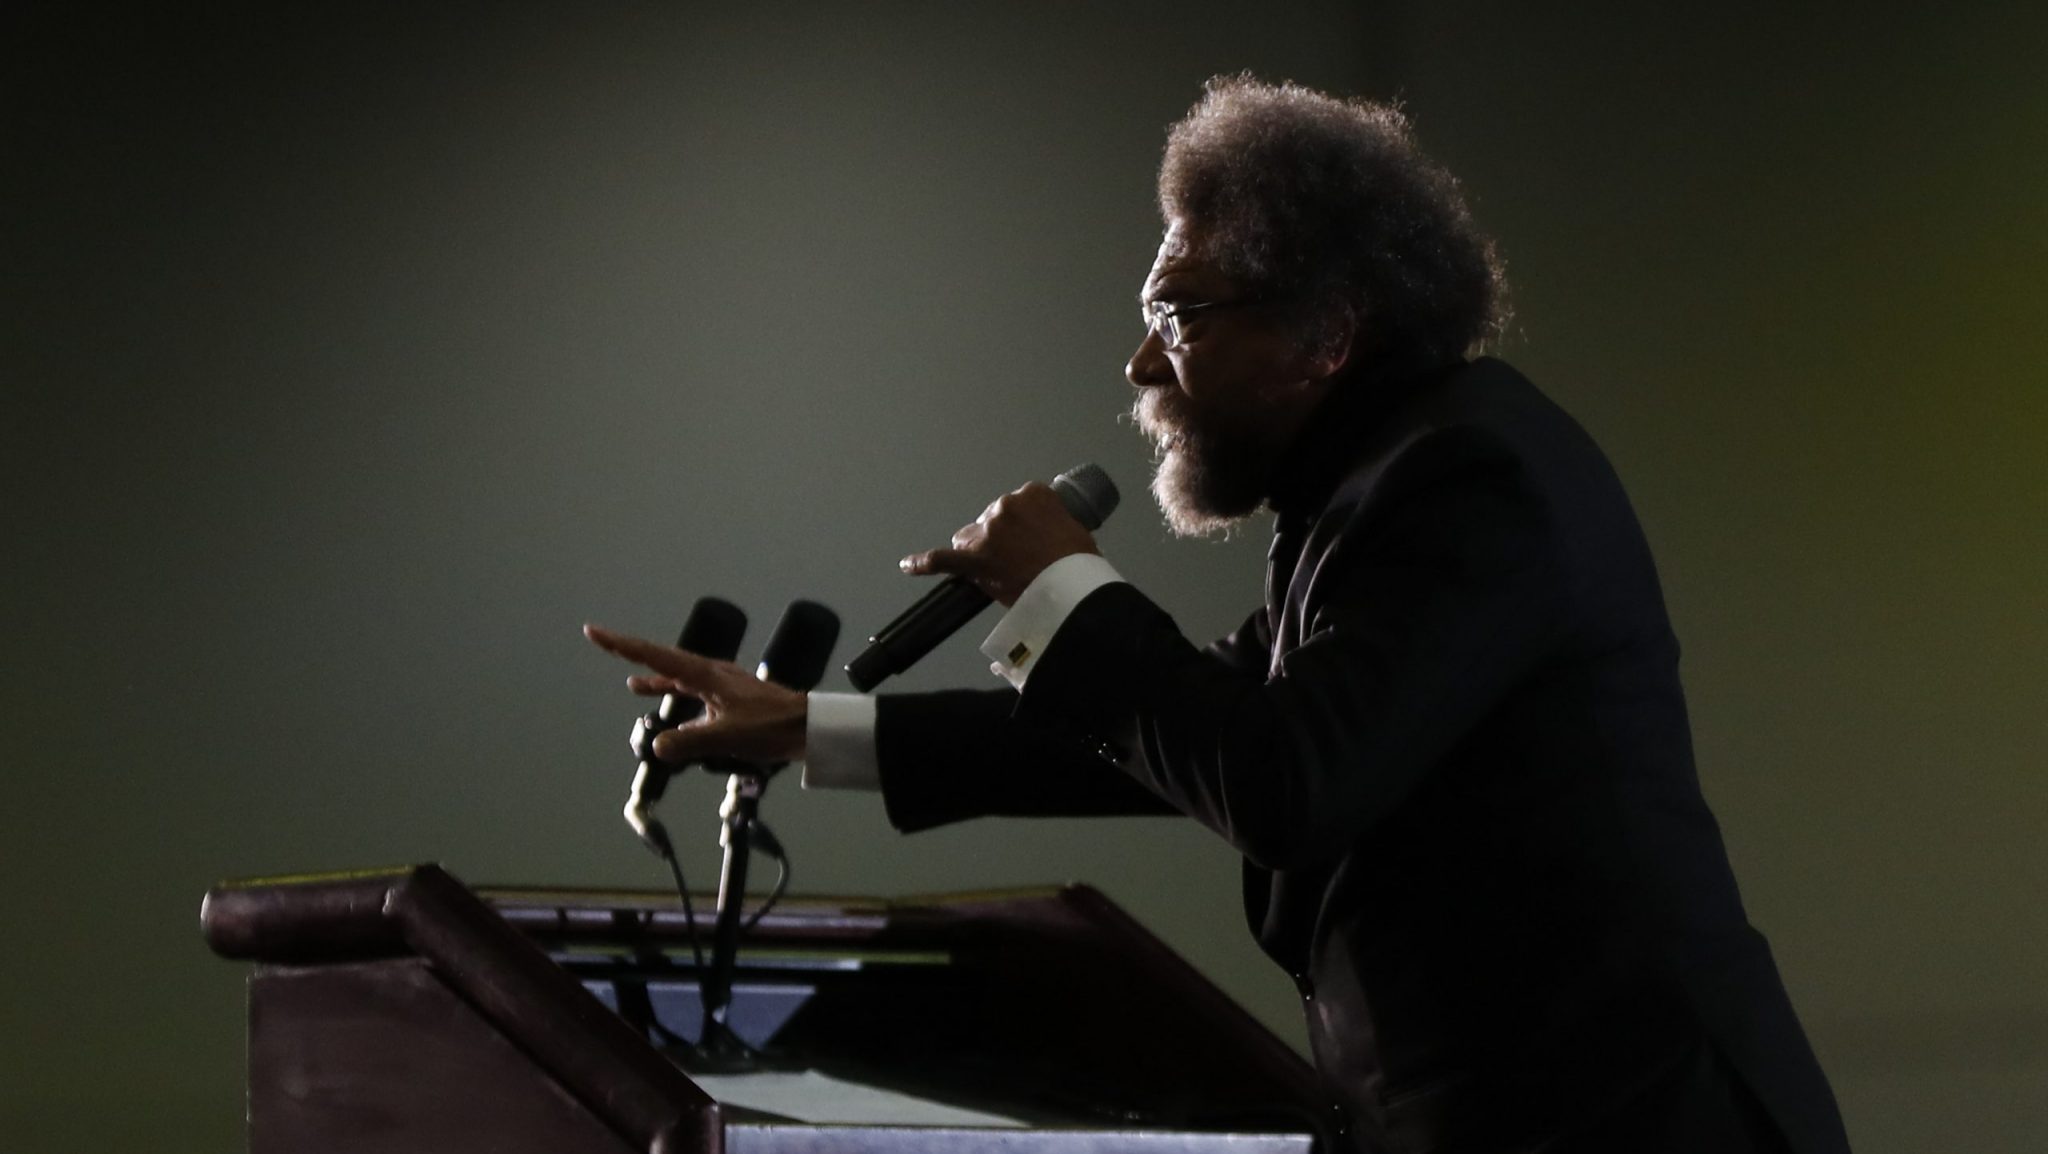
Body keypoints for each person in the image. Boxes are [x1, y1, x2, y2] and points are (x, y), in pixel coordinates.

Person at [586, 75, 1850, 1154]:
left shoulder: (1474, 478)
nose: (1141, 365)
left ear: (1325, 333)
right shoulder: (1368, 492)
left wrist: (1064, 588)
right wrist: (813, 727)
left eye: (1175, 314)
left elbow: (1281, 778)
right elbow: (1175, 736)